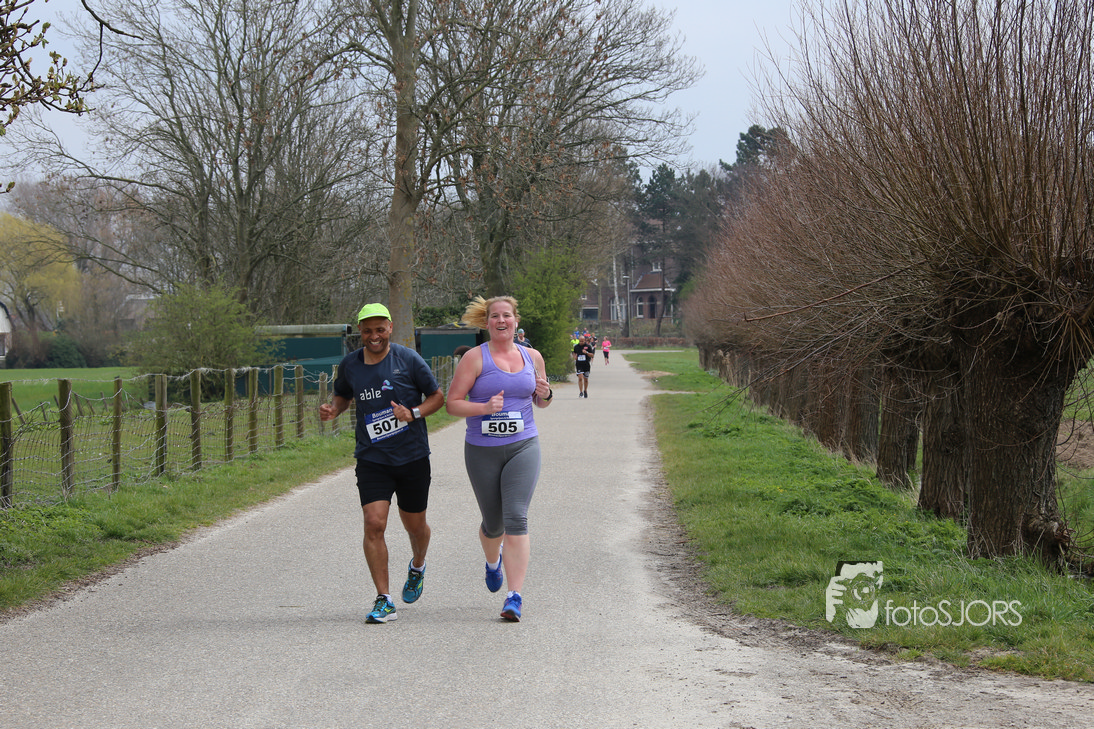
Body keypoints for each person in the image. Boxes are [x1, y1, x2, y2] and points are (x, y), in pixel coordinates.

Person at [318, 303, 445, 624]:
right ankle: (384, 599)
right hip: (372, 458)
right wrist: (334, 409)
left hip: (412, 456)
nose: (373, 336)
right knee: (374, 523)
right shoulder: (350, 364)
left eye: (379, 329)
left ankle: (417, 565)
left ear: (390, 328)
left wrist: (413, 413)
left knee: (415, 526)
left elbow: (437, 396)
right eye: (367, 331)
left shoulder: (408, 359)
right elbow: (343, 394)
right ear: (360, 333)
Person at [446, 295, 553, 622]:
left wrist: (546, 394)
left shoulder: (532, 356)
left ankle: (514, 596)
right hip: (482, 450)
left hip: (523, 445)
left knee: (516, 517)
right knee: (494, 525)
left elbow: (542, 401)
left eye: (507, 315)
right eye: (495, 316)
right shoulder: (474, 359)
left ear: (516, 321)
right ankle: (493, 563)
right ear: (487, 322)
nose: (502, 320)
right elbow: (452, 403)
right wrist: (483, 408)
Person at [573, 334, 595, 398]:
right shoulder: (576, 346)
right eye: (580, 341)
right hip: (579, 364)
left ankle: (585, 390)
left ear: (585, 340)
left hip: (586, 364)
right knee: (580, 378)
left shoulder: (588, 346)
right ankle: (581, 392)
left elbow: (592, 355)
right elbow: (574, 352)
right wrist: (574, 356)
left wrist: (586, 353)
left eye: (582, 341)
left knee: (586, 379)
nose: (581, 342)